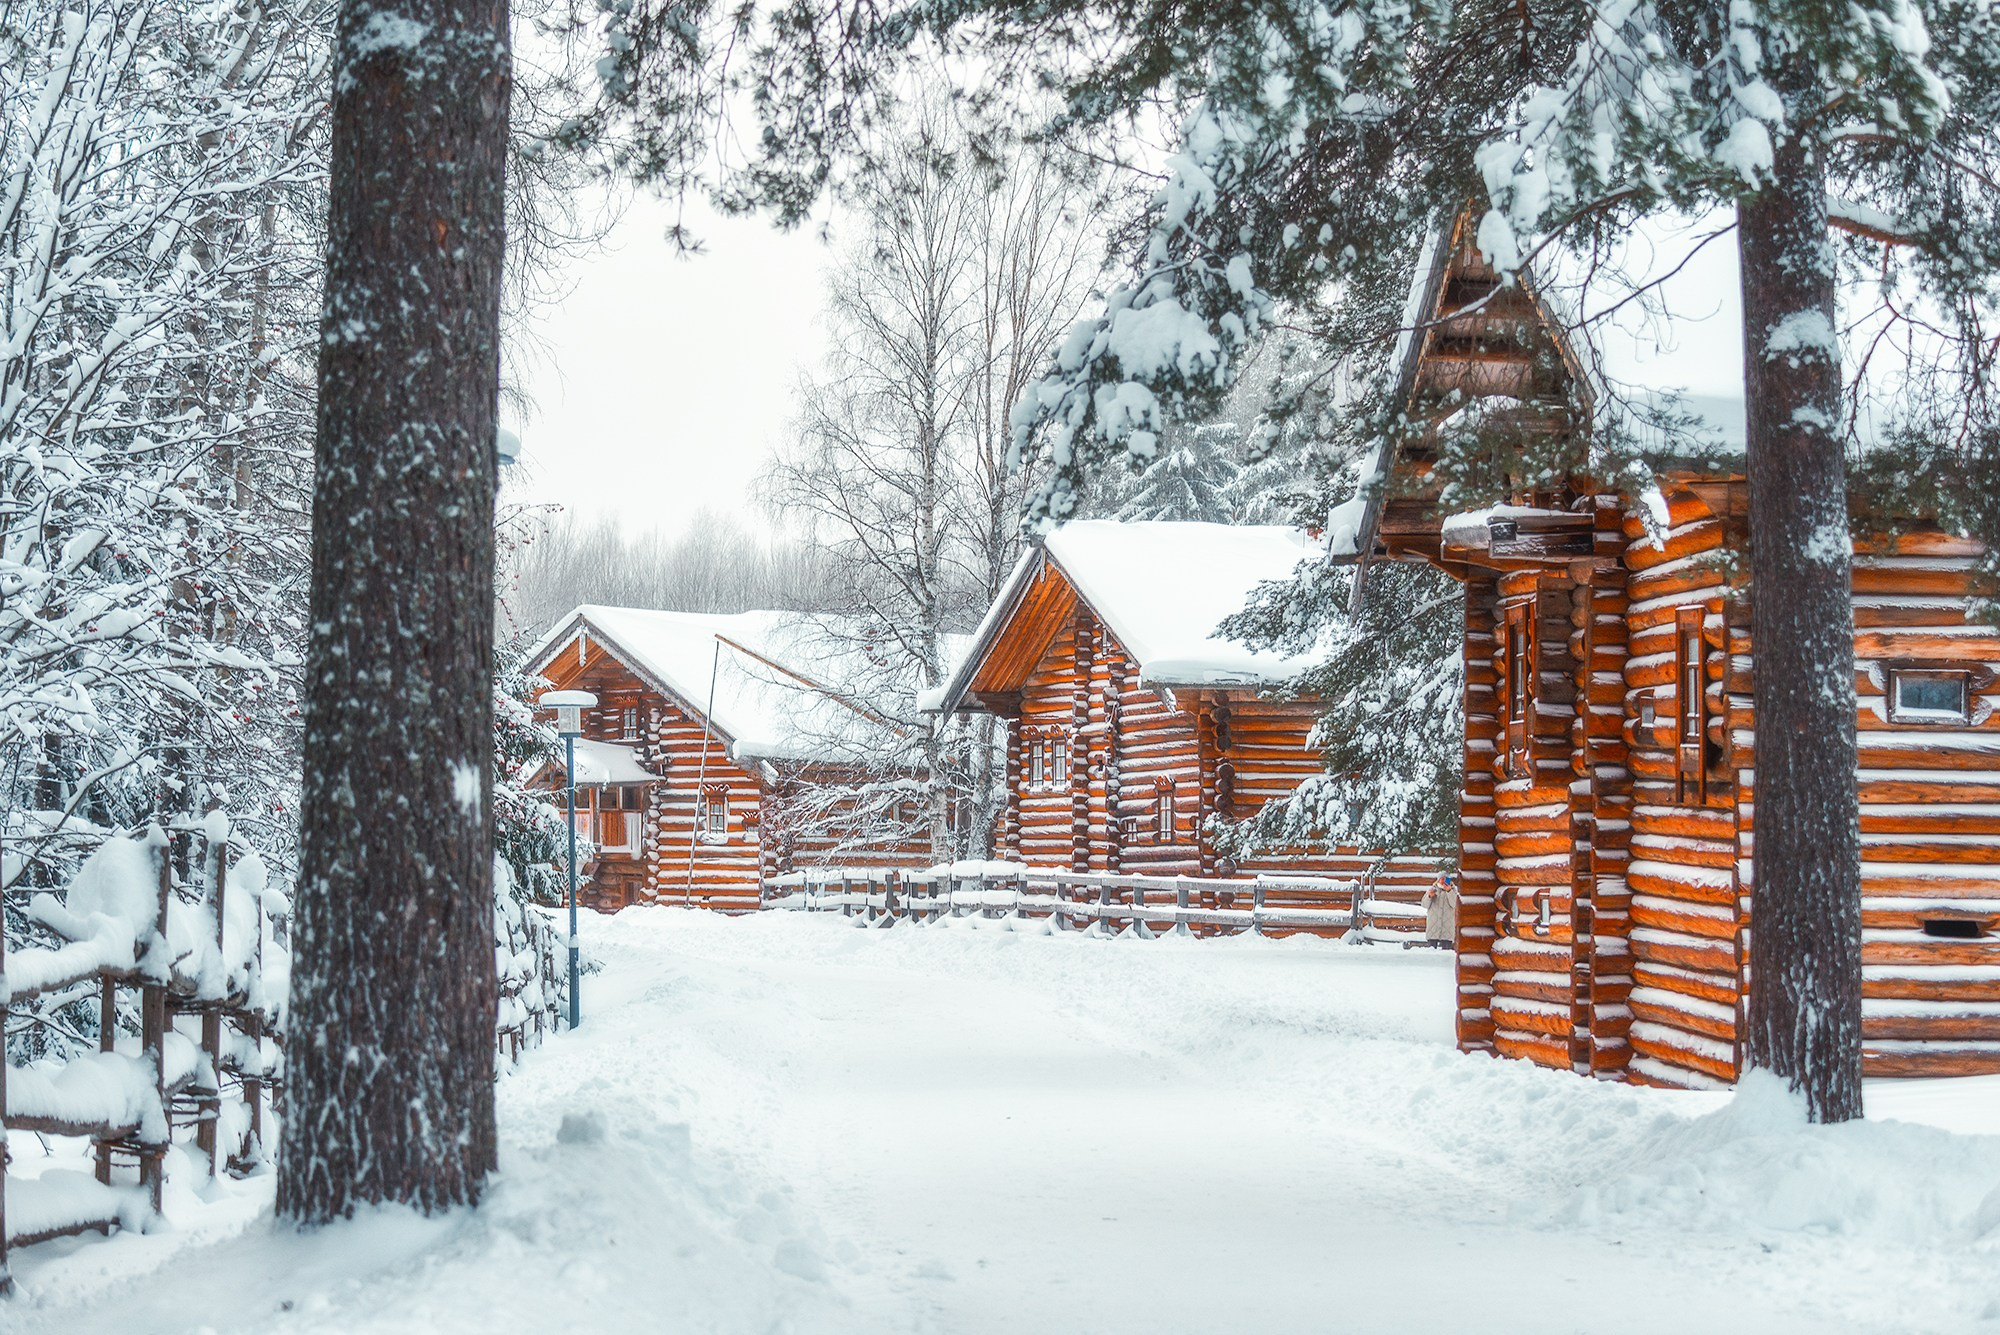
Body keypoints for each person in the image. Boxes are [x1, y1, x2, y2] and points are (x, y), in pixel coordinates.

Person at [1422, 870, 1458, 947]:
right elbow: (1424, 904)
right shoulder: (1432, 889)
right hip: (1433, 927)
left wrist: (1449, 891)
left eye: (1446, 878)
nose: (1443, 880)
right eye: (1442, 878)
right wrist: (1429, 896)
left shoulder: (1453, 890)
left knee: (1446, 952)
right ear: (1438, 879)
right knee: (1431, 950)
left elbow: (1455, 904)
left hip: (1447, 927)